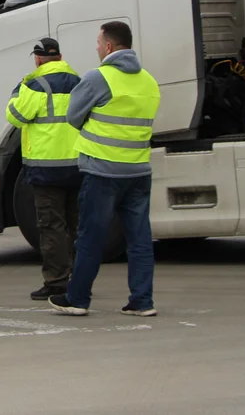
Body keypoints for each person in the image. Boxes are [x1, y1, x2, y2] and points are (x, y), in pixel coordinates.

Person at [50, 21, 161, 318]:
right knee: (139, 240)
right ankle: (142, 301)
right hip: (138, 171)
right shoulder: (149, 81)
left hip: (102, 171)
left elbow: (73, 116)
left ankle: (77, 299)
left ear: (109, 46)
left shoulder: (99, 78)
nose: (97, 48)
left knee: (90, 237)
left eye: (99, 43)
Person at [6, 38, 83, 301]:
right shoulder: (79, 82)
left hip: (46, 168)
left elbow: (15, 116)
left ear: (38, 59)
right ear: (60, 57)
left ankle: (56, 282)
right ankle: (78, 277)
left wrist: (18, 90)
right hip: (76, 165)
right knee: (74, 225)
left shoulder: (34, 84)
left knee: (51, 227)